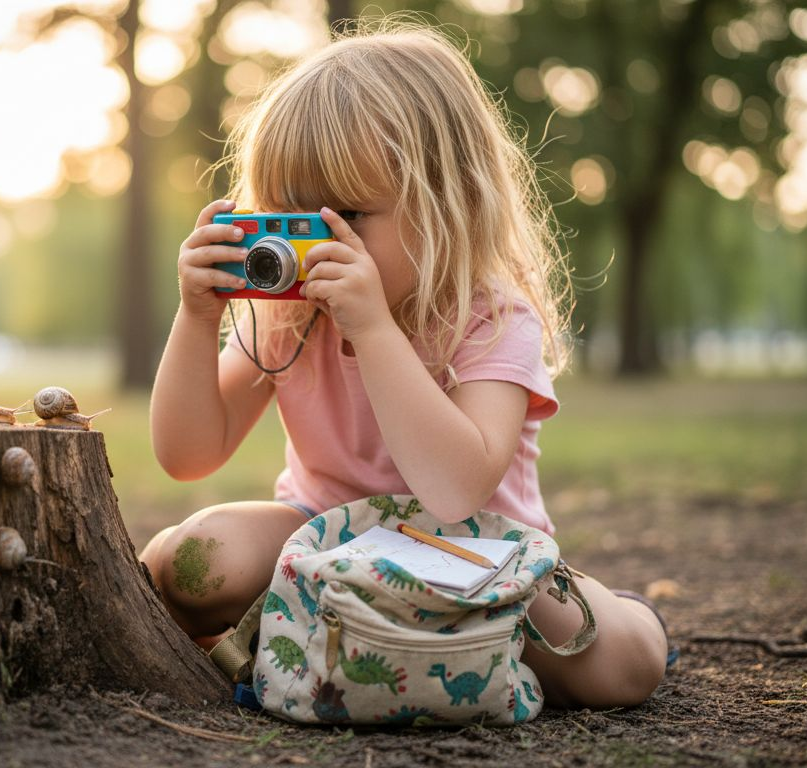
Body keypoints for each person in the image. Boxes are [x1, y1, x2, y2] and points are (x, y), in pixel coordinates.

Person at [140, 21, 669, 709]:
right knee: (193, 558)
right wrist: (198, 316)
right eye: (288, 221)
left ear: (449, 199)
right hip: (322, 537)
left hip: (475, 553)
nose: (313, 249)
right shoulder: (289, 313)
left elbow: (456, 491)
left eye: (347, 217)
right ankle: (309, 638)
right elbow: (186, 454)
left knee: (619, 669)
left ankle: (632, 616)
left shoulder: (491, 317)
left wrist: (374, 328)